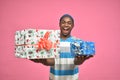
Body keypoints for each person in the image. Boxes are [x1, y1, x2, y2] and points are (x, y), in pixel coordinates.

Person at [31, 14, 93, 80]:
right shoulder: (52, 41)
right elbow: (51, 61)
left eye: (69, 23)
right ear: (59, 24)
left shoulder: (77, 42)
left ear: (73, 26)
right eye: (63, 22)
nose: (66, 25)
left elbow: (76, 61)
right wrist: (42, 61)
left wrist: (81, 60)